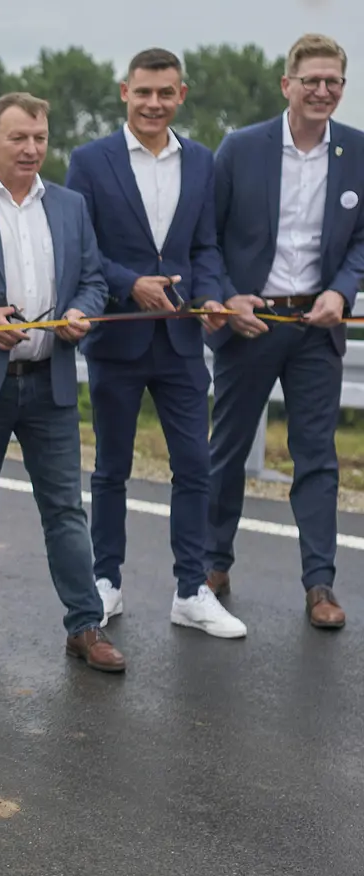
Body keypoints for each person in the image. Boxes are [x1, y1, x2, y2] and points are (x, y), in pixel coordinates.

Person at [0, 92, 126, 671]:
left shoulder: (69, 205)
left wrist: (82, 310)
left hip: (49, 380)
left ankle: (85, 625)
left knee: (65, 510)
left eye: (39, 137)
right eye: (19, 137)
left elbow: (92, 279)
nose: (32, 148)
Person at [64, 48, 242, 639]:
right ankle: (106, 582)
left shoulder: (203, 162)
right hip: (118, 336)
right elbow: (81, 247)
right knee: (111, 469)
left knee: (195, 467)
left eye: (165, 93)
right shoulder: (90, 161)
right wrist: (127, 284)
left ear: (181, 95)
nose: (154, 103)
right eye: (144, 92)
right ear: (124, 92)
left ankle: (192, 590)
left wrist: (213, 294)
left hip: (183, 339)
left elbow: (207, 248)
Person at [208, 33, 363, 628]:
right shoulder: (241, 149)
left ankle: (320, 583)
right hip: (252, 321)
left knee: (317, 457)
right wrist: (224, 297)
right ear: (287, 85)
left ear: (343, 89)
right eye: (312, 80)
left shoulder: (358, 151)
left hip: (317, 325)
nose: (323, 91)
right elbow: (208, 236)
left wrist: (341, 291)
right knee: (228, 449)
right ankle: (213, 562)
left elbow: (363, 241)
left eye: (334, 82)